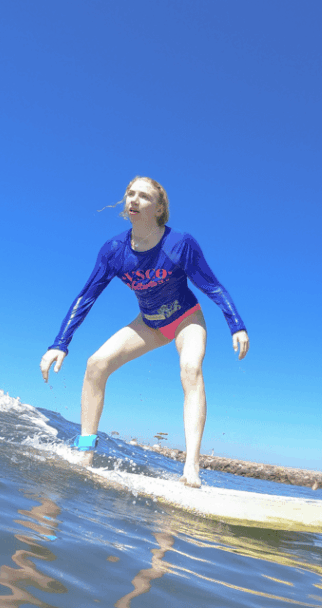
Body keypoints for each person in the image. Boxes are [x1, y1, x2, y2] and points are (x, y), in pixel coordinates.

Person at [40, 176, 249, 488]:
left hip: (186, 319)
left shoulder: (180, 244)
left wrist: (237, 324)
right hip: (149, 323)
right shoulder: (113, 251)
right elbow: (87, 296)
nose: (134, 200)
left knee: (191, 368)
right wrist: (60, 343)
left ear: (159, 207)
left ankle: (191, 465)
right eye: (130, 194)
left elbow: (212, 285)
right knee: (96, 364)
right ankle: (85, 451)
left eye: (143, 196)